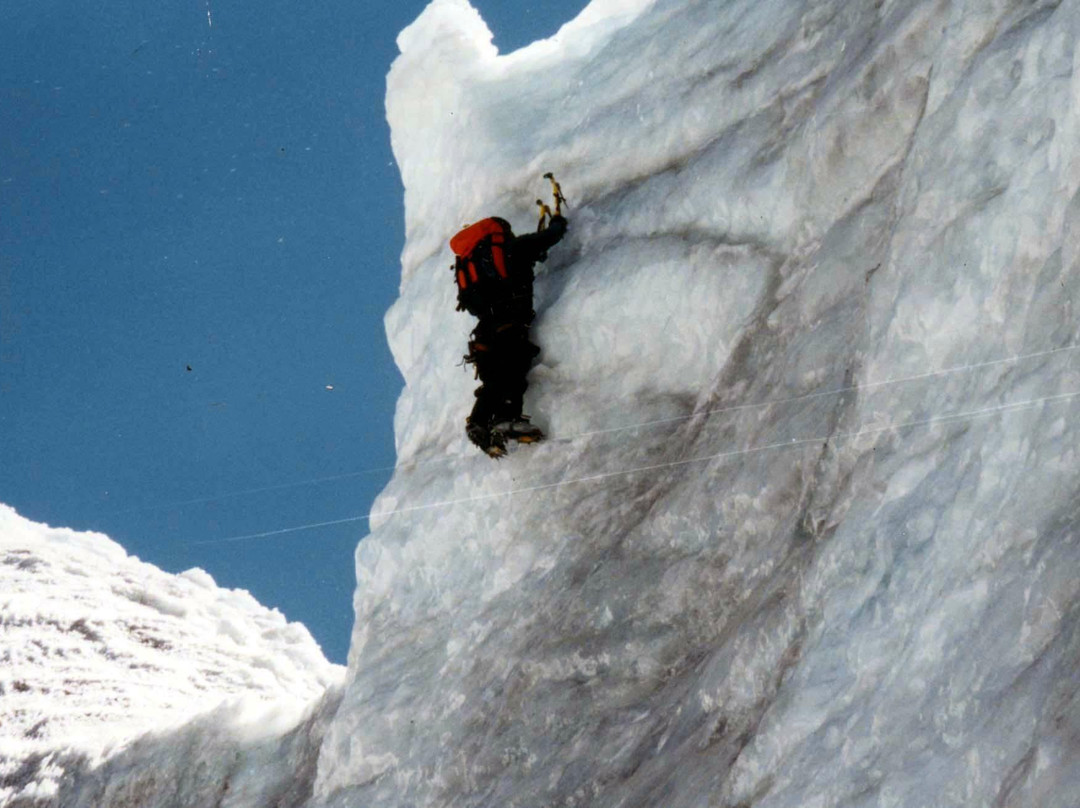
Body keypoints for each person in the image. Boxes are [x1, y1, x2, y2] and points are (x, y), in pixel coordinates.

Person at [450, 189, 568, 458]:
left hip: (484, 330)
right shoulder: (515, 249)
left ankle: (485, 421)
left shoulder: (476, 266)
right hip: (508, 324)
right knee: (512, 369)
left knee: (495, 378)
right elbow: (550, 237)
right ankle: (501, 419)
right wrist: (559, 222)